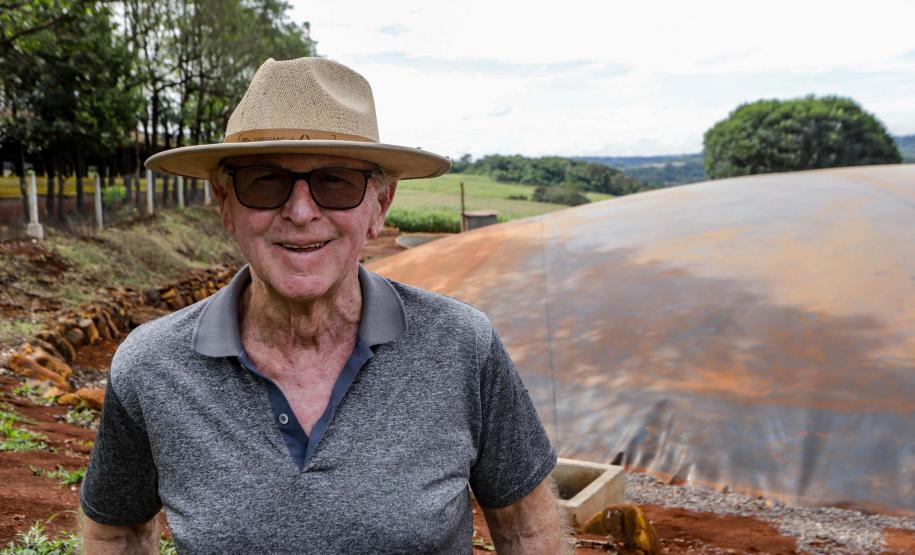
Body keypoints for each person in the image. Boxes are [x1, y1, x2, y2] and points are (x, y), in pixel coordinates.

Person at [79, 57, 567, 553]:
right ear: (225, 203)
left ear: (380, 205)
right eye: (264, 181)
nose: (300, 212)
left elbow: (527, 529)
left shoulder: (462, 346)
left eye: (336, 182)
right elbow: (116, 532)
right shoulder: (151, 367)